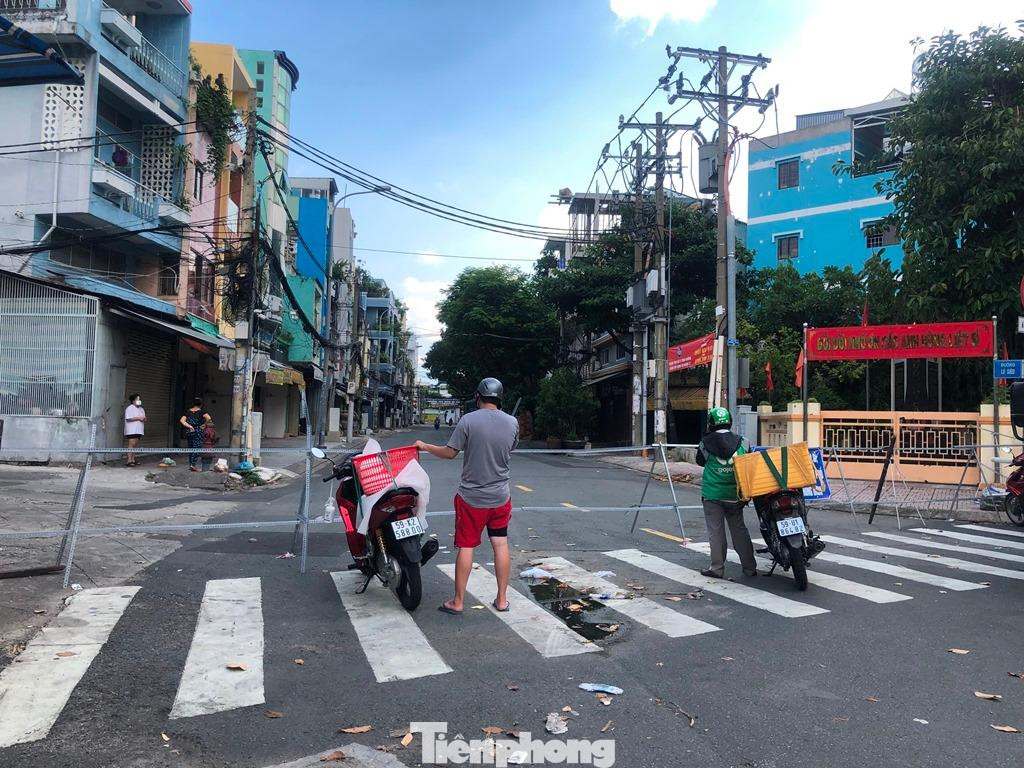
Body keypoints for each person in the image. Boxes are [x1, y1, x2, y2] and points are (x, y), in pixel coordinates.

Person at [416, 377, 519, 615]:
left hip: (471, 498)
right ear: (499, 398)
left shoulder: (468, 420)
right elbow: (510, 448)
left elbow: (450, 453)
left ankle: (458, 601)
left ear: (478, 396)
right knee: (501, 544)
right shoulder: (512, 422)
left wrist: (425, 446)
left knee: (466, 546)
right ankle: (502, 600)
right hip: (501, 497)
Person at [695, 407, 757, 579]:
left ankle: (717, 568)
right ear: (730, 421)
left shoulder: (705, 442)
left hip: (712, 494)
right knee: (739, 530)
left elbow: (700, 462)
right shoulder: (743, 441)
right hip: (735, 494)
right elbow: (750, 462)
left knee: (716, 531)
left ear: (711, 424)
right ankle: (749, 568)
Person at [179, 397, 212, 472]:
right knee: (197, 448)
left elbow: (182, 420)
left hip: (190, 431)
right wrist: (204, 424)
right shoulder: (202, 412)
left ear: (193, 404)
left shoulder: (188, 411)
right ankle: (193, 465)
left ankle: (191, 464)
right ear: (201, 404)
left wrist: (189, 426)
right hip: (198, 431)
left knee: (191, 448)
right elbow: (209, 418)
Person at [123, 394, 146, 466]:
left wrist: (144, 419)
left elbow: (144, 418)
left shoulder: (141, 409)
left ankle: (133, 459)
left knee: (135, 445)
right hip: (131, 430)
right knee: (131, 444)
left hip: (139, 430)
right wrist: (139, 418)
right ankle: (129, 461)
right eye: (137, 399)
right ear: (133, 401)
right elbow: (128, 418)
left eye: (139, 399)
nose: (139, 401)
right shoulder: (130, 408)